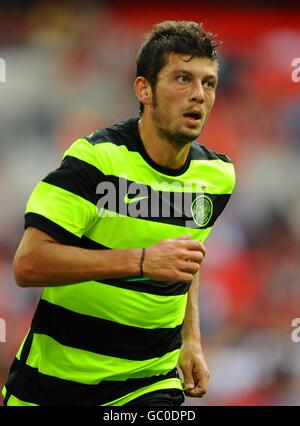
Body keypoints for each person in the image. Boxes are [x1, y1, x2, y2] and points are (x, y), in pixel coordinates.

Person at [2, 20, 235, 406]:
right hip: (53, 385)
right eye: (182, 79)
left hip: (148, 383)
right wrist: (141, 261)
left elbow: (185, 259)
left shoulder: (217, 176)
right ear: (144, 89)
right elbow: (27, 265)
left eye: (208, 83)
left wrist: (190, 339)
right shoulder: (95, 160)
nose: (198, 95)